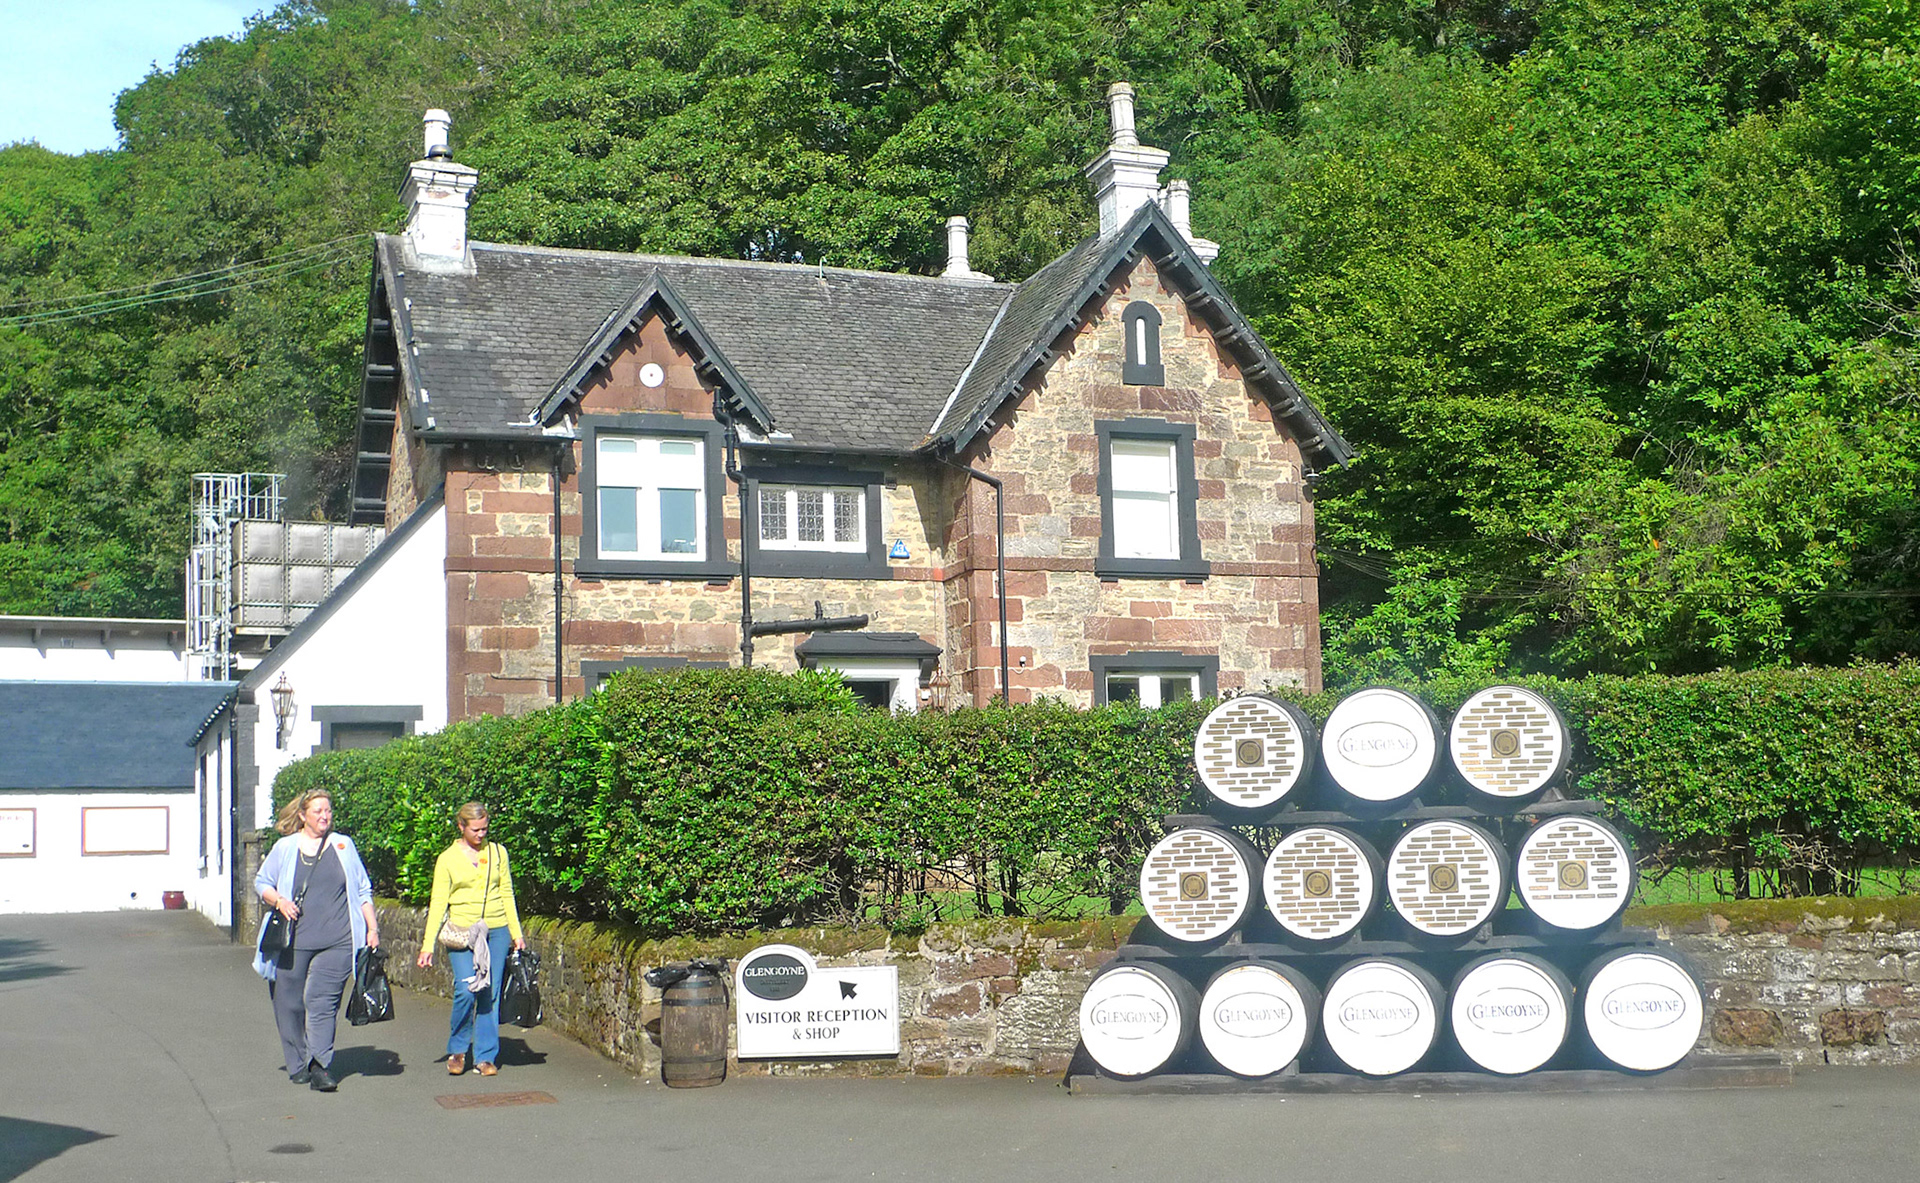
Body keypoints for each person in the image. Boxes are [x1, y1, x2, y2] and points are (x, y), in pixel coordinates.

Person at [253, 788, 380, 1092]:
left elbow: (362, 889)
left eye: (328, 810)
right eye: (318, 811)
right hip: (293, 940)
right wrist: (280, 901)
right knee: (289, 1004)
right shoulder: (286, 847)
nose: (325, 816)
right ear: (303, 816)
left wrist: (372, 928)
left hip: (338, 940)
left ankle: (320, 1065)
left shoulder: (343, 845)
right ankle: (298, 1062)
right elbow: (262, 882)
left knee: (321, 1001)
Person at [417, 802, 525, 1076]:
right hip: (462, 933)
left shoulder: (498, 853)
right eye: (475, 829)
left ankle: (485, 1056)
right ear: (461, 826)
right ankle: (458, 1049)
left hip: (495, 930)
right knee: (466, 990)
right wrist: (427, 945)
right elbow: (438, 902)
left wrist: (516, 933)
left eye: (485, 829)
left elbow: (507, 892)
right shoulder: (447, 859)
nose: (481, 834)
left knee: (489, 991)